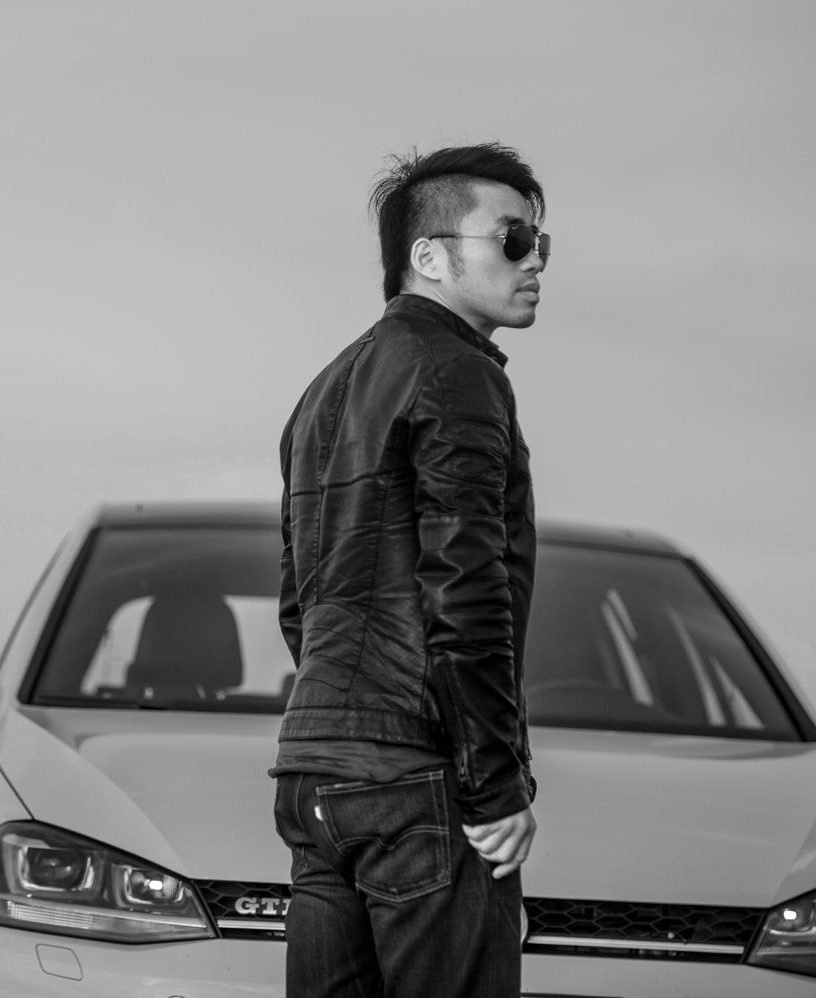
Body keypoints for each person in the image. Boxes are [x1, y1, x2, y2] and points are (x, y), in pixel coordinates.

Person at [272, 143, 549, 998]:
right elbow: (466, 587)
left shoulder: (321, 392)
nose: (535, 260)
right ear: (429, 256)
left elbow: (299, 604)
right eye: (512, 238)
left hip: (315, 775)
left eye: (541, 242)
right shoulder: (457, 373)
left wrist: (348, 735)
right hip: (415, 779)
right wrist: (494, 785)